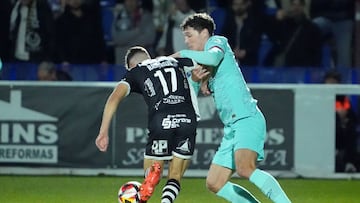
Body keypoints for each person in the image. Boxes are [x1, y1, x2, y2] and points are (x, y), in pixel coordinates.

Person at [172, 13, 291, 202]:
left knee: (246, 169)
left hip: (246, 118)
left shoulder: (217, 42)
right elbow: (189, 99)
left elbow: (213, 58)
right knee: (214, 182)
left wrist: (181, 55)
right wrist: (195, 81)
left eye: (189, 35)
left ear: (204, 33)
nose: (186, 41)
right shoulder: (200, 64)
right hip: (232, 128)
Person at [95, 46, 204, 203]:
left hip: (161, 120)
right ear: (148, 56)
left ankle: (151, 176)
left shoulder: (135, 72)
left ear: (131, 66)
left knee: (151, 174)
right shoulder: (174, 60)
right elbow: (204, 65)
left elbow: (114, 98)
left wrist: (103, 131)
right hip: (187, 118)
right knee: (176, 175)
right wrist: (204, 82)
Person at [324, 70, 359, 172]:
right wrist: (337, 116)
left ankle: (350, 163)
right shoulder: (319, 97)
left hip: (341, 131)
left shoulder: (342, 99)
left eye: (334, 82)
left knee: (351, 129)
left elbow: (353, 116)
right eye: (329, 82)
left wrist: (344, 119)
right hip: (325, 131)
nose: (331, 85)